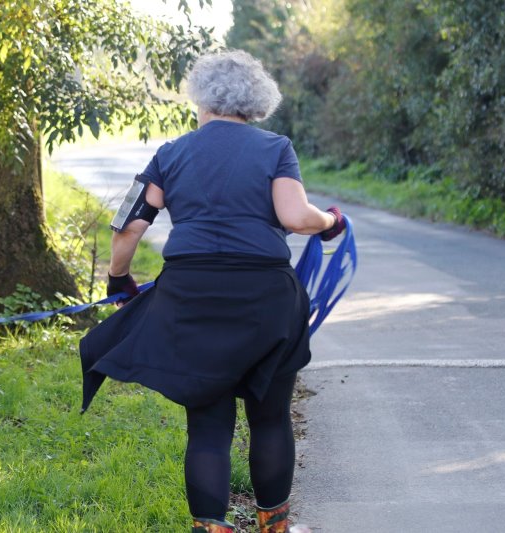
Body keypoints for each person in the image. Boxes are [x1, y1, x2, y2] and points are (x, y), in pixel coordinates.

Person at [79, 49, 345, 533]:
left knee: (207, 426)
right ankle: (275, 526)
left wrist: (119, 278)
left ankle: (211, 528)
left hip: (192, 298)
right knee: (269, 417)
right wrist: (330, 221)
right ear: (255, 103)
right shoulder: (275, 147)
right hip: (266, 296)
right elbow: (294, 217)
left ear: (202, 99)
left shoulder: (171, 154)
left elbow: (129, 225)